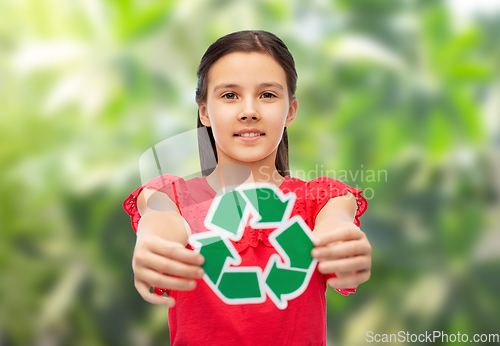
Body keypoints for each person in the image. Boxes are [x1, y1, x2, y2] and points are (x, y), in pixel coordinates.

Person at [123, 30, 371, 345]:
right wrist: (153, 244)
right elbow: (161, 221)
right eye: (230, 95)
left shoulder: (323, 200)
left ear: (291, 111)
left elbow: (335, 226)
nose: (249, 111)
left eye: (268, 94)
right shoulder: (173, 197)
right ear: (204, 112)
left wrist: (342, 248)